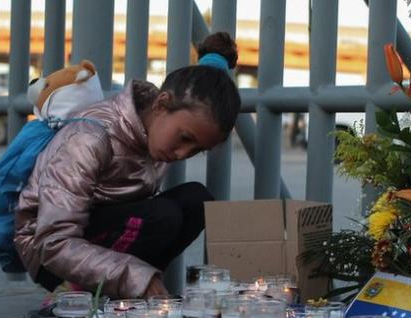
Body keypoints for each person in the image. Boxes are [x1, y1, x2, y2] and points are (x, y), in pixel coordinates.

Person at [14, 33, 242, 300]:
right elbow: (53, 241)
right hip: (50, 253)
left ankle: (132, 294)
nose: (183, 154)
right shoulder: (89, 137)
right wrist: (133, 276)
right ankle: (77, 293)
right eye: (185, 139)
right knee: (162, 214)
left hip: (96, 236)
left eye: (197, 150)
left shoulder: (152, 133)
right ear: (161, 103)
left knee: (196, 200)